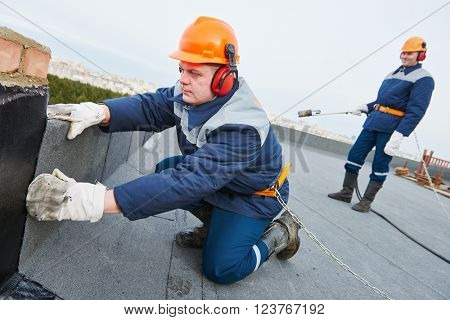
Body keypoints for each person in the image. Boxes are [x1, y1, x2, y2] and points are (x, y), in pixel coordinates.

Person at [26, 16, 301, 285]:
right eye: (182, 69)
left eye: (194, 72)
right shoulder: (193, 93)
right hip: (219, 183)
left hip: (251, 197)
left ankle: (278, 234)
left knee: (221, 268)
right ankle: (216, 226)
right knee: (165, 169)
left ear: (224, 78)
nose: (183, 79)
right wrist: (100, 111)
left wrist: (93, 201)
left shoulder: (243, 127)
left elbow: (189, 181)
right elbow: (150, 107)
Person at [328, 36, 434, 212]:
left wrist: (400, 134)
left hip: (391, 128)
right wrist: (366, 107)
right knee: (354, 155)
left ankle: (366, 201)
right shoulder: (393, 74)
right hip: (373, 122)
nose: (405, 56)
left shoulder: (424, 78)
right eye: (403, 53)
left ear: (420, 55)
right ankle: (346, 192)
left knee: (380, 164)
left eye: (409, 53)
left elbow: (416, 111)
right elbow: (382, 101)